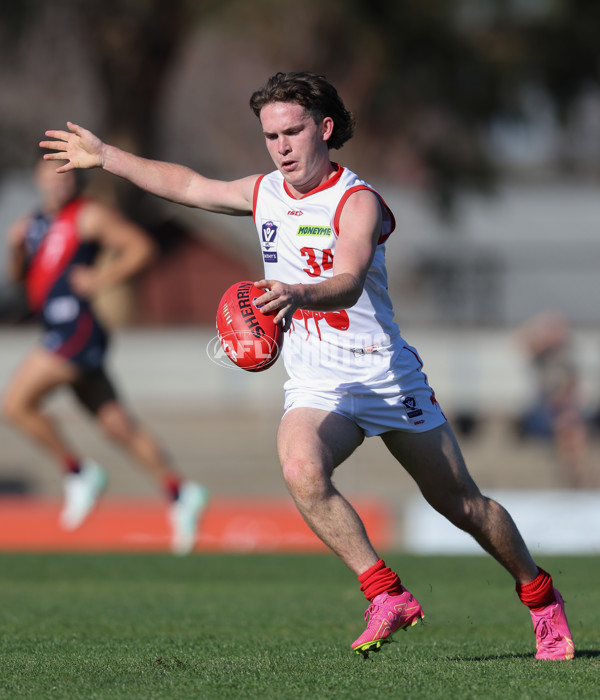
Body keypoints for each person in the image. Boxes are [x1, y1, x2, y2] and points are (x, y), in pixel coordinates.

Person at [40, 71, 574, 660]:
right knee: (300, 469)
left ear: (323, 128)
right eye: (271, 136)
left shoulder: (357, 200)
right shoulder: (266, 192)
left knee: (463, 506)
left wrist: (297, 293)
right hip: (319, 380)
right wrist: (107, 156)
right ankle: (385, 592)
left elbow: (346, 280)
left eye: (292, 132)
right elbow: (190, 184)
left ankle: (540, 597)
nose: (282, 147)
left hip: (384, 375)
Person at [1, 156, 208, 555]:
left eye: (65, 176)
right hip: (56, 327)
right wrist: (14, 248)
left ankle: (79, 472)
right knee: (117, 425)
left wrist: (100, 278)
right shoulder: (34, 222)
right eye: (50, 176)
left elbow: (141, 248)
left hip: (75, 330)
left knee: (15, 404)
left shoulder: (89, 216)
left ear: (77, 180)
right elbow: (18, 277)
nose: (57, 184)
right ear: (38, 179)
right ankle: (181, 492)